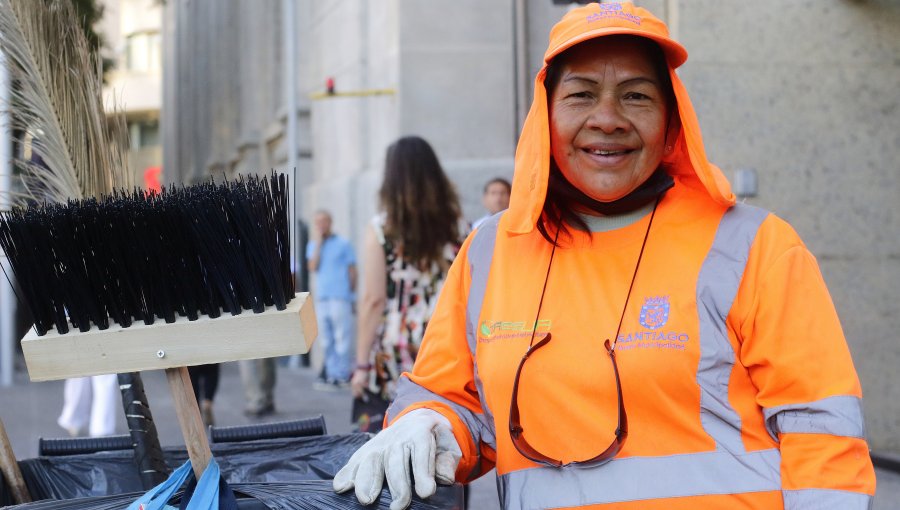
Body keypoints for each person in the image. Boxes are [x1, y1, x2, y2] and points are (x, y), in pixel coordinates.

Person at [333, 3, 876, 509]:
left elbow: (821, 433)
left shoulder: (754, 245)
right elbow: (456, 397)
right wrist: (426, 421)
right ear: (545, 116)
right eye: (582, 94)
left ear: (671, 122)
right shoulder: (491, 250)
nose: (608, 118)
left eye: (636, 96)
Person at [349, 135, 465, 433]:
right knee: (442, 433)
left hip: (394, 350)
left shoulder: (381, 230)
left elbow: (373, 300)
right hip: (443, 343)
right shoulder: (458, 225)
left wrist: (362, 365)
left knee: (390, 439)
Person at [306, 209, 357, 389]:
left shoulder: (343, 243)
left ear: (330, 222)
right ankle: (332, 374)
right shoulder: (313, 246)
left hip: (340, 297)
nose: (321, 225)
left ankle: (342, 375)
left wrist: (352, 295)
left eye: (324, 222)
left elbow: (352, 271)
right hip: (323, 298)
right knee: (326, 340)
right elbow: (312, 266)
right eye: (318, 222)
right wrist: (319, 243)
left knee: (342, 337)